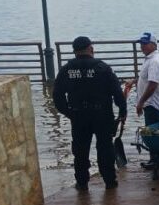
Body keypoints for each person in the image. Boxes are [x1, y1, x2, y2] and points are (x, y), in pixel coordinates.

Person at [52, 36, 127, 190]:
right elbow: (117, 93)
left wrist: (69, 113)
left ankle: (82, 182)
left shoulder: (67, 70)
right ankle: (110, 181)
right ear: (91, 49)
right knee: (105, 148)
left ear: (74, 51)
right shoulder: (102, 68)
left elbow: (57, 96)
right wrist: (122, 111)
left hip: (78, 115)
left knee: (80, 150)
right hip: (102, 115)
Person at [135, 32, 159, 169]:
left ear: (154, 44)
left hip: (152, 103)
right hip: (150, 103)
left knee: (153, 133)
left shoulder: (155, 61)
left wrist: (141, 102)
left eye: (145, 44)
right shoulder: (150, 59)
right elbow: (147, 79)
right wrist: (134, 81)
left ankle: (157, 160)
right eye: (141, 44)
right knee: (153, 132)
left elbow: (153, 84)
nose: (142, 46)